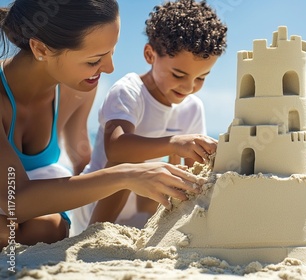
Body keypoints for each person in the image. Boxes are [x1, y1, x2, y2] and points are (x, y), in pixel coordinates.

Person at [0, 0, 210, 248]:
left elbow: (80, 153)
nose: (110, 68)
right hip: (14, 196)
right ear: (41, 49)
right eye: (94, 60)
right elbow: (15, 199)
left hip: (34, 193)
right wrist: (127, 175)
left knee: (47, 228)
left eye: (112, 51)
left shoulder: (80, 85)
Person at [70, 0, 227, 235]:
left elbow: (193, 170)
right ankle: (96, 235)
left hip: (146, 213)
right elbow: (116, 149)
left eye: (201, 77)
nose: (189, 86)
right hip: (99, 205)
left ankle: (166, 229)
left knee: (187, 164)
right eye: (178, 74)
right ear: (150, 55)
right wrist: (175, 142)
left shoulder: (193, 107)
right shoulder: (129, 91)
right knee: (133, 159)